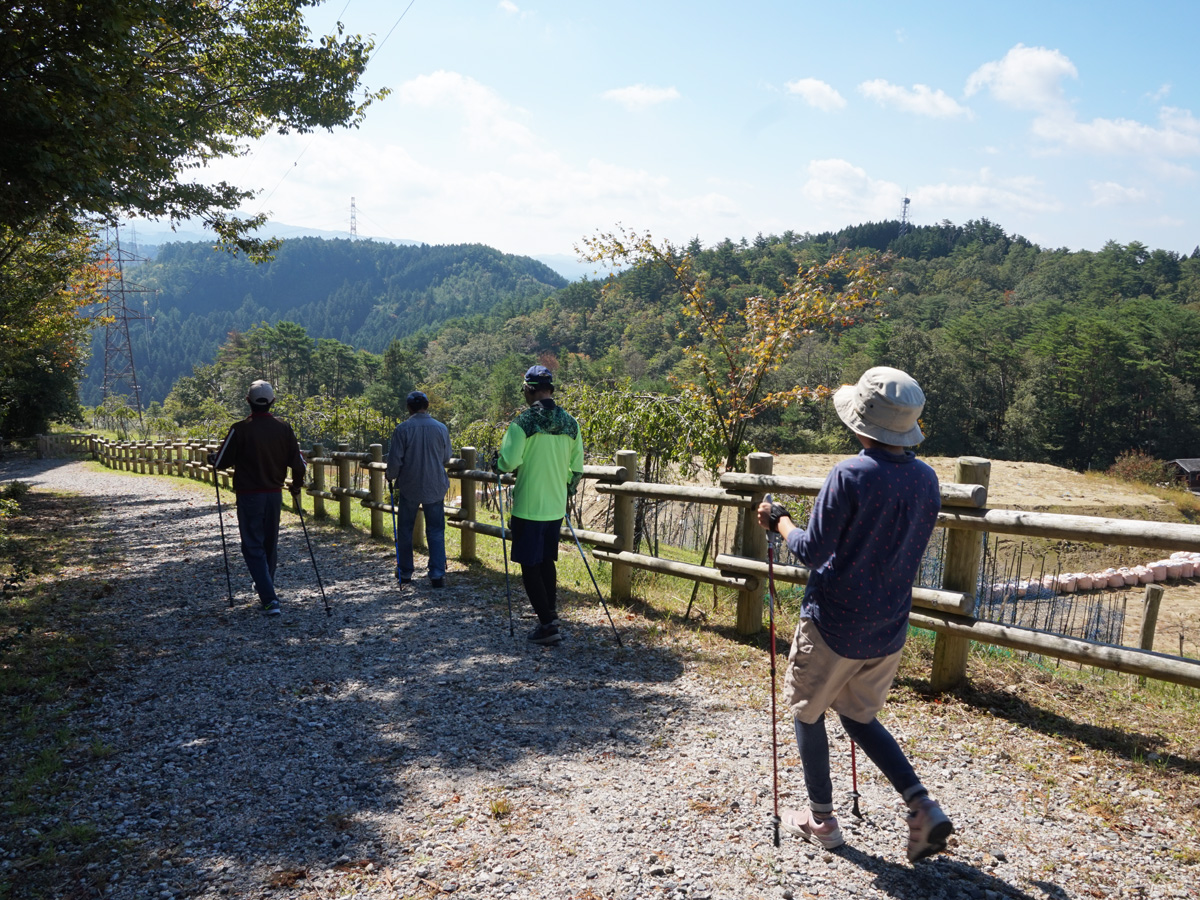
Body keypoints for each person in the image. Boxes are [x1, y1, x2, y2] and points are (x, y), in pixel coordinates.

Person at [756, 366, 952, 864]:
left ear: (861, 421)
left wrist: (780, 522)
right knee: (860, 715)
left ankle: (821, 820)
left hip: (834, 621)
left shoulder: (850, 474)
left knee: (807, 710)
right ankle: (922, 805)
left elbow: (811, 551)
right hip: (889, 625)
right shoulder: (926, 479)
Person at [498, 365, 584, 645]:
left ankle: (547, 625)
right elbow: (577, 468)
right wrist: (565, 489)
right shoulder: (571, 423)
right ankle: (551, 615)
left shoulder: (523, 422)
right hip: (555, 506)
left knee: (529, 565)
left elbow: (508, 462)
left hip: (528, 505)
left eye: (524, 389)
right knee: (547, 560)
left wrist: (498, 463)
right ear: (550, 389)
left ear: (529, 389)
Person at [212, 380, 306, 616]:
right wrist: (296, 486)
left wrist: (212, 458)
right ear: (273, 401)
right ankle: (267, 585)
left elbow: (220, 462)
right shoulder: (284, 428)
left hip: (249, 496)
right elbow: (299, 464)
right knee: (269, 543)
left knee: (252, 545)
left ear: (248, 401)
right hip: (275, 495)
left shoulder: (240, 429)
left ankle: (269, 599)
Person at [385, 390, 452, 588]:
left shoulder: (402, 429)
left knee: (405, 529)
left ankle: (405, 572)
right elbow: (446, 457)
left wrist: (390, 475)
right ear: (427, 405)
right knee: (436, 530)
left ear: (409, 408)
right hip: (435, 485)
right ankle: (437, 574)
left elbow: (395, 460)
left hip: (410, 485)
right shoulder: (441, 428)